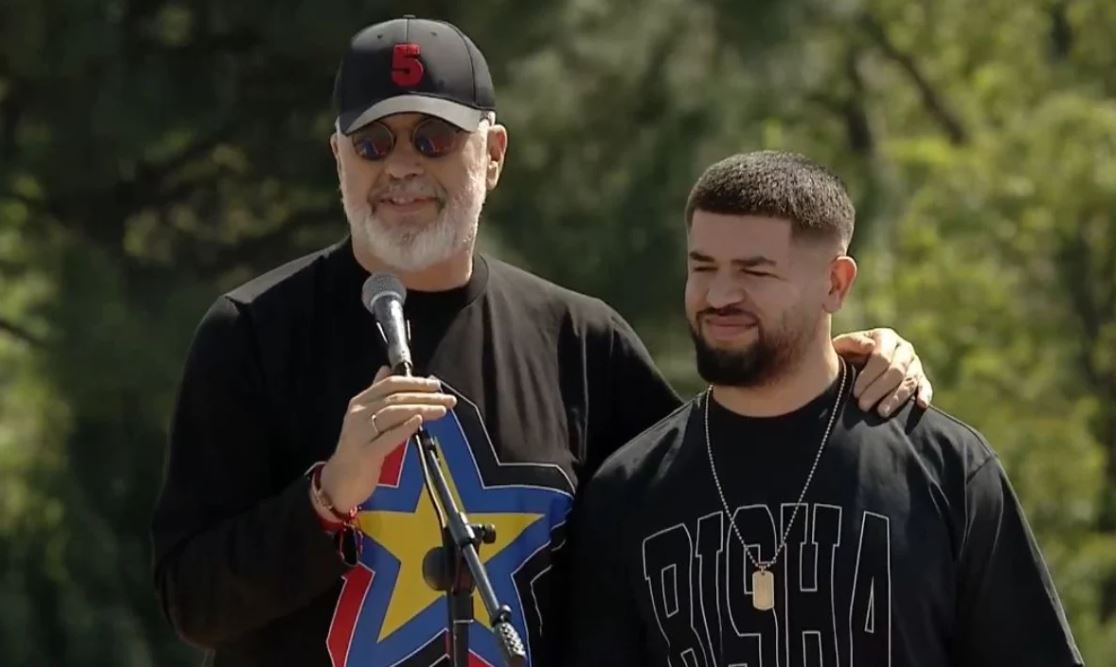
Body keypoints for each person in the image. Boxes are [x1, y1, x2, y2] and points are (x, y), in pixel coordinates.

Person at [150, 17, 934, 667]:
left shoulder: (578, 340)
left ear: (492, 155)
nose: (401, 167)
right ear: (338, 160)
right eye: (373, 143)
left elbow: (712, 501)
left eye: (433, 139)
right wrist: (327, 497)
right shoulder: (250, 334)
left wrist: (824, 366)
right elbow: (192, 602)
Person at [562, 151, 1083, 667]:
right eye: (703, 267)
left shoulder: (945, 467)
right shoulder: (627, 491)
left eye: (753, 272)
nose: (719, 295)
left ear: (835, 284)